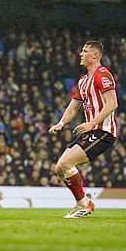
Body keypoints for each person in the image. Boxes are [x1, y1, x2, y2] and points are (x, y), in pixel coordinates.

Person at [49, 41, 118, 218]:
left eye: (85, 51)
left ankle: (84, 205)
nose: (81, 54)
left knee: (65, 164)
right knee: (59, 167)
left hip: (104, 132)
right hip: (91, 131)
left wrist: (91, 123)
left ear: (95, 56)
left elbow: (112, 103)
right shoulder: (83, 81)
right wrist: (61, 123)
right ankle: (84, 203)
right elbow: (73, 107)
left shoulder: (103, 74)